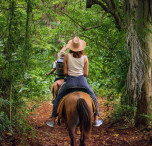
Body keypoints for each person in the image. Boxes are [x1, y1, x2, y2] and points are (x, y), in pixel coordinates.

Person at [46, 36, 103, 127]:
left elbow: (65, 73)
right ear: (81, 47)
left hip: (70, 82)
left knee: (58, 97)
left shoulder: (67, 57)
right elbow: (86, 74)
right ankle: (96, 119)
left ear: (71, 47)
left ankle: (53, 120)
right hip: (82, 82)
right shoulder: (85, 57)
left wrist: (70, 74)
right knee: (93, 96)